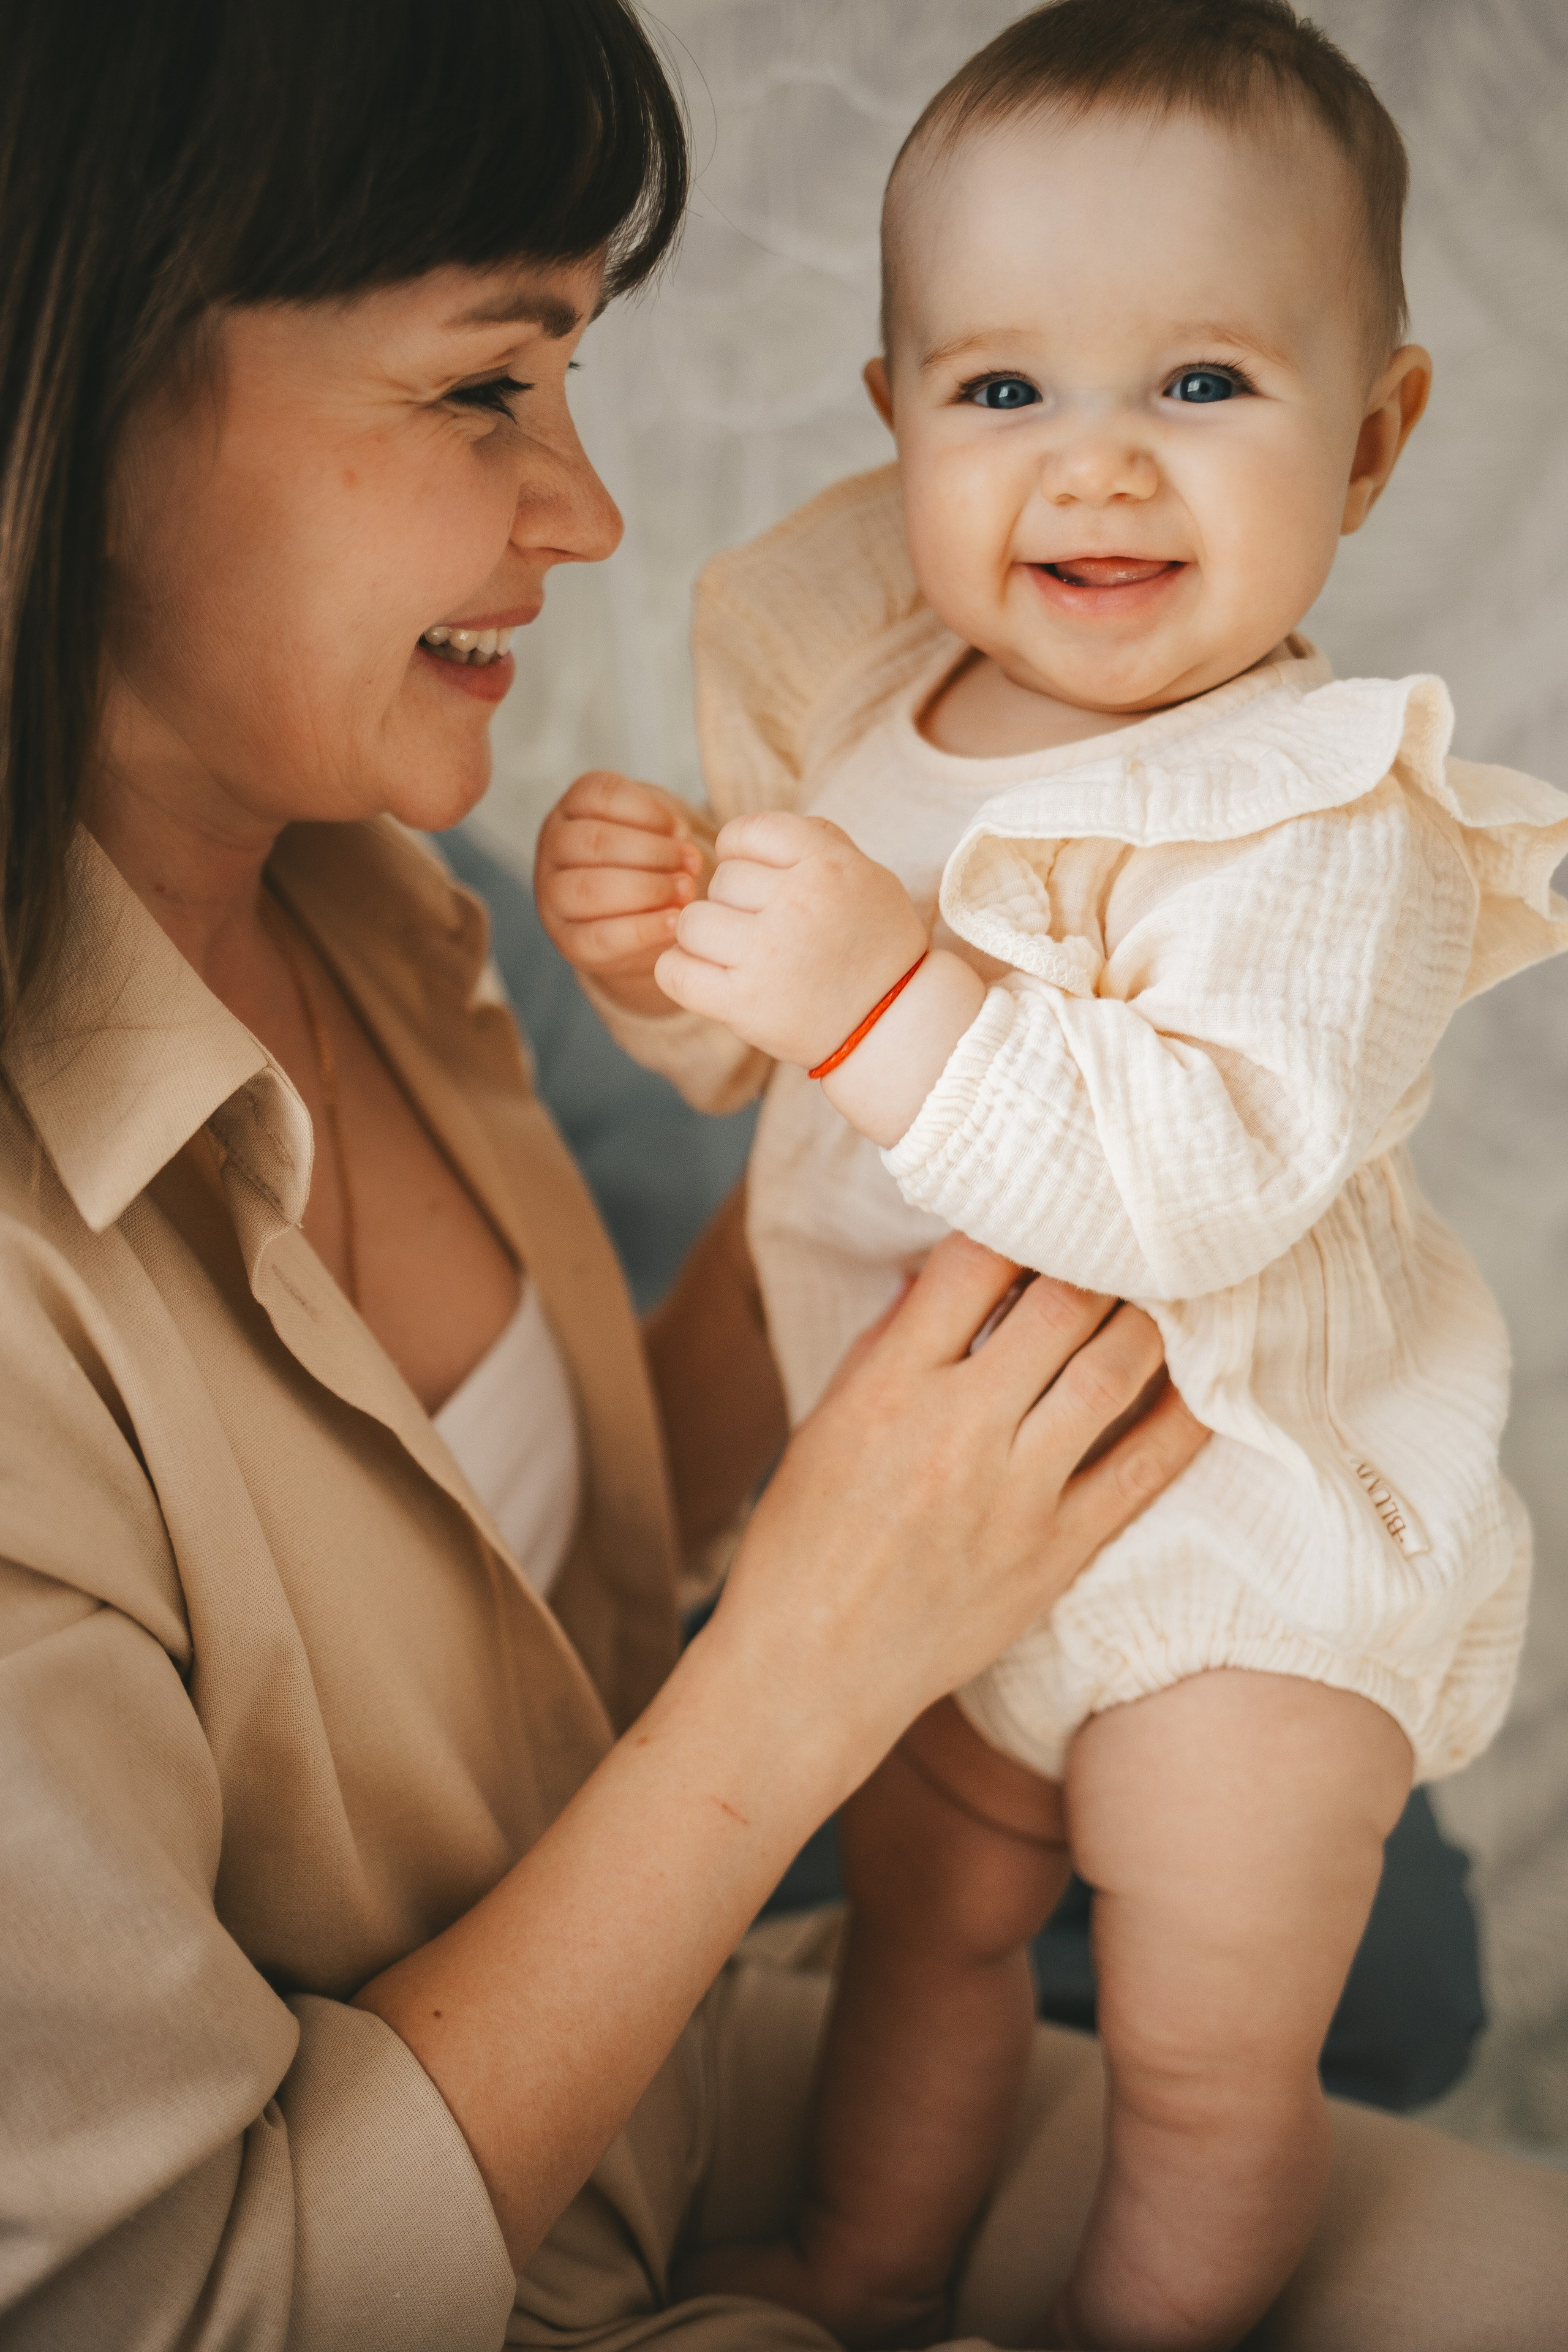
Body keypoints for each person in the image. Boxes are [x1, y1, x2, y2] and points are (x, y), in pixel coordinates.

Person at [2, 6, 1566, 2351]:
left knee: (1352, 2172)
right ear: (79, 395)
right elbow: (178, 2300)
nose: (597, 509)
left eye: (1207, 388)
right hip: (446, 2217)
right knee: (976, 1981)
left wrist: (728, 1003)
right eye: (479, 387)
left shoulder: (377, 902)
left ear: (1376, 433)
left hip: (1138, 1658)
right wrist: (825, 1642)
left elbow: (564, 1557)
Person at [532, 4, 1568, 2346]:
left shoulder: (1322, 810)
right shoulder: (867, 710)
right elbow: (758, 1072)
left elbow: (1203, 1180)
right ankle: (868, 2269)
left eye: (1201, 385)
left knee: (1202, 2070)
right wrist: (653, 947)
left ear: (1376, 434)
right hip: (940, 1547)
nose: (1095, 469)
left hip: (1233, 1560)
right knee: (928, 1937)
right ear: (896, 418)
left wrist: (893, 997)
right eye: (1006, 392)